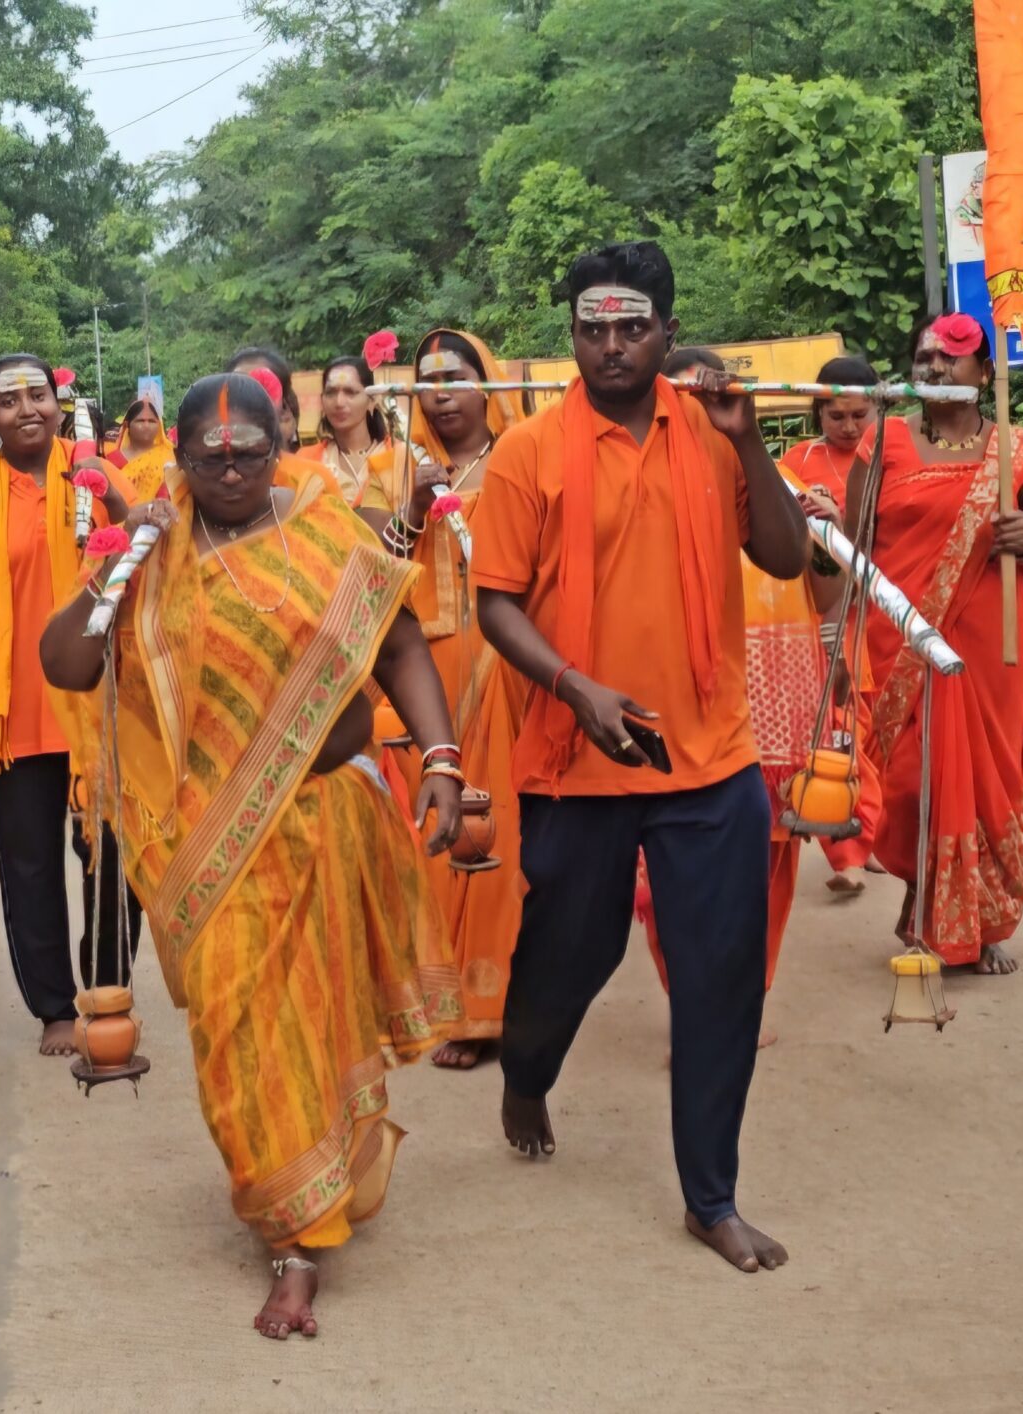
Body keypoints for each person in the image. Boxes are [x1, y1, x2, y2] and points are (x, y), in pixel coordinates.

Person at [38, 373, 466, 1340]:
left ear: (282, 444)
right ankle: (290, 1213)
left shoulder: (328, 525)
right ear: (181, 457)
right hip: (215, 842)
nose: (228, 465)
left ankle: (300, 1239)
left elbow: (397, 647)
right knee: (237, 1029)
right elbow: (67, 665)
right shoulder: (155, 549)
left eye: (249, 449)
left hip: (327, 818)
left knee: (317, 1017)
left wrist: (441, 755)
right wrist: (114, 567)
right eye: (207, 453)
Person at [469, 241, 809, 1274]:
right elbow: (493, 600)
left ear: (666, 330)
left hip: (709, 760)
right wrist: (575, 685)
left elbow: (789, 557)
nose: (609, 345)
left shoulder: (712, 435)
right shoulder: (527, 451)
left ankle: (711, 1194)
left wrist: (749, 448)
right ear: (571, 333)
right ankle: (526, 1070)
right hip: (577, 755)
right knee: (568, 960)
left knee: (719, 981)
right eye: (590, 328)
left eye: (630, 327)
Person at [631, 347, 852, 1045]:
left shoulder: (778, 483)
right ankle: (695, 997)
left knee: (768, 863)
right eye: (686, 401)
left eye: (716, 400)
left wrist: (830, 540)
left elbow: (823, 595)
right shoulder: (634, 487)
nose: (704, 415)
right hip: (676, 706)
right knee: (662, 875)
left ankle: (744, 997)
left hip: (776, 706)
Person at [0, 353, 142, 1057]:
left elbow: (150, 549)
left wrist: (110, 492)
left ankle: (106, 990)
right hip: (13, 718)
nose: (26, 409)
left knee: (112, 862)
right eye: (9, 400)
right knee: (30, 868)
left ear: (60, 404)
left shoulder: (96, 479)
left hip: (102, 710)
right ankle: (52, 1005)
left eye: (37, 395)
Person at [852, 312, 1023, 976]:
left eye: (950, 358)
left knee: (987, 780)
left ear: (984, 374)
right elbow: (854, 549)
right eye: (924, 358)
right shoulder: (880, 442)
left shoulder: (1016, 449)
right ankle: (926, 889)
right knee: (914, 781)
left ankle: (985, 919)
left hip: (993, 644)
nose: (935, 369)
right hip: (905, 640)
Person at [383, 328, 531, 1070]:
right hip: (430, 673)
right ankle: (447, 1003)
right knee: (438, 830)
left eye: (454, 376)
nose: (439, 391)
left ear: (487, 385)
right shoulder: (401, 468)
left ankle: (496, 1009)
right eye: (426, 379)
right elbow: (378, 565)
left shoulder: (520, 457)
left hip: (510, 664)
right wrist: (412, 509)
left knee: (500, 824)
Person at [779, 355, 896, 889]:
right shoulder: (795, 460)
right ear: (817, 413)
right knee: (841, 724)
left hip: (891, 608)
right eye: (837, 416)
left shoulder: (893, 455)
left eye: (859, 415)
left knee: (880, 734)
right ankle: (846, 849)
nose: (850, 427)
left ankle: (870, 833)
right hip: (829, 609)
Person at [312, 355, 403, 528]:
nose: (339, 402)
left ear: (372, 400)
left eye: (350, 392)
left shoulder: (399, 455)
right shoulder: (307, 460)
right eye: (331, 392)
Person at [226, 346, 304, 452]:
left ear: (284, 407)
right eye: (238, 386)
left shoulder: (309, 468)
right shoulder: (208, 460)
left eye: (261, 387)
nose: (247, 398)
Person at [110, 394, 173, 502]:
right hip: (122, 518)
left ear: (159, 425)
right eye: (140, 421)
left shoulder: (171, 455)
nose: (146, 425)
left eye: (151, 421)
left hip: (160, 516)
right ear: (127, 425)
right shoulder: (115, 458)